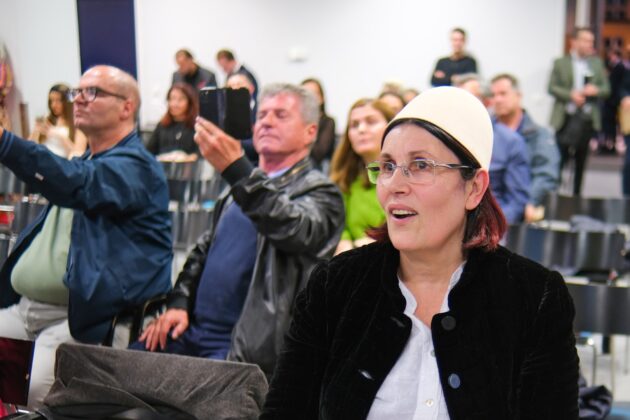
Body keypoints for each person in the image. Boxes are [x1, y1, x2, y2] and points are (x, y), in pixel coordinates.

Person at [261, 86, 579, 419]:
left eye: (421, 165)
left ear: (474, 188)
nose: (394, 185)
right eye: (387, 166)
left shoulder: (533, 298)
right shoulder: (335, 286)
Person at [136, 83, 344, 378]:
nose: (266, 122)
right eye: (261, 115)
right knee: (113, 375)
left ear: (311, 131)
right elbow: (203, 250)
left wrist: (238, 170)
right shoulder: (237, 189)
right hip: (189, 328)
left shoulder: (321, 193)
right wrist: (179, 302)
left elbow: (294, 228)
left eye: (281, 115)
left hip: (242, 347)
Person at [0, 65, 173, 408]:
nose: (78, 99)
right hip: (26, 309)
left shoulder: (136, 166)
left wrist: (6, 143)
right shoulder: (88, 161)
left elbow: (75, 182)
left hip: (80, 320)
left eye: (92, 92)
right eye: (76, 92)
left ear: (126, 107)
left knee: (37, 394)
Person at [455, 73, 530, 224]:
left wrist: (491, 226)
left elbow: (516, 202)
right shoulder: (443, 138)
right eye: (458, 100)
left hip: (489, 221)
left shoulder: (510, 142)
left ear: (487, 102)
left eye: (470, 99)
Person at [548, 27, 610, 196]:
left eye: (591, 41)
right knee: (559, 161)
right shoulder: (560, 63)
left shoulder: (596, 63)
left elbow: (606, 89)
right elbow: (551, 87)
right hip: (565, 118)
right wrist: (571, 95)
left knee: (581, 162)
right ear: (574, 42)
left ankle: (576, 197)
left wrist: (595, 90)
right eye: (586, 40)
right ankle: (555, 196)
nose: (590, 44)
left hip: (587, 119)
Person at [491, 73, 560, 221]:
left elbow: (546, 173)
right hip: (492, 204)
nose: (497, 99)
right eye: (493, 95)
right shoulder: (487, 131)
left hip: (523, 206)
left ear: (518, 96)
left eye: (503, 94)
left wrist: (532, 201)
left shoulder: (539, 135)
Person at [330, 98, 394, 254]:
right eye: (354, 125)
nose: (361, 129)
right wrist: (344, 244)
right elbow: (338, 227)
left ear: (391, 128)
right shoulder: (342, 179)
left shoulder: (407, 177)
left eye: (371, 122)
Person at [29, 84, 87, 158]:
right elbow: (29, 147)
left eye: (58, 100)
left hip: (63, 162)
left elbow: (78, 155)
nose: (53, 105)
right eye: (51, 101)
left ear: (67, 102)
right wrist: (36, 132)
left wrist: (60, 137)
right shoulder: (47, 120)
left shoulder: (78, 123)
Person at [146, 82, 199, 161]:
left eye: (180, 99)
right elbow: (148, 152)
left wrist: (188, 158)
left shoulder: (196, 126)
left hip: (188, 167)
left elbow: (201, 154)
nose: (175, 104)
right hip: (163, 166)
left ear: (190, 102)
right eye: (172, 99)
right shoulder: (162, 125)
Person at [301, 78, 336, 171]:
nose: (308, 99)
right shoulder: (294, 123)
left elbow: (319, 153)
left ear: (321, 98)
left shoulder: (328, 122)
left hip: (318, 169)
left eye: (313, 94)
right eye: (304, 94)